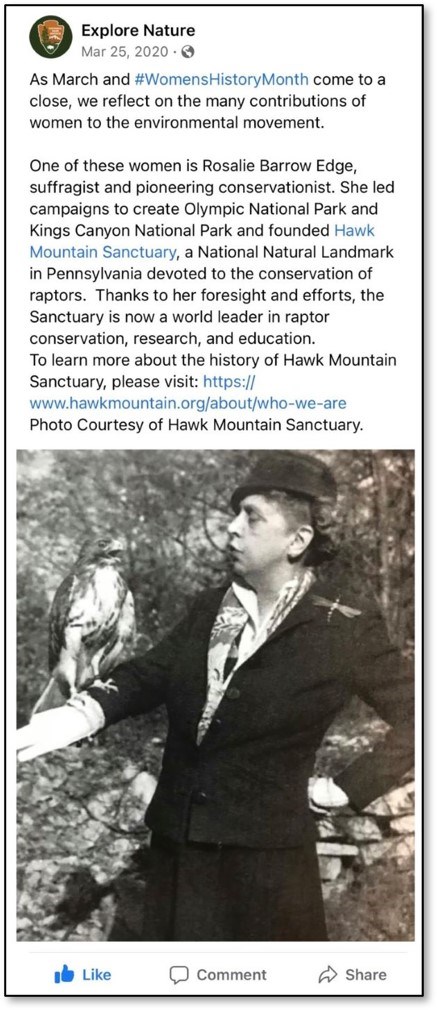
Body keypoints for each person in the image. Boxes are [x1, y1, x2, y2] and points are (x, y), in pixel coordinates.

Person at [17, 452, 414, 941]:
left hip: (268, 876)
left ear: (298, 539)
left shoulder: (343, 626)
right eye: (234, 513)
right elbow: (149, 674)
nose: (231, 528)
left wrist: (346, 788)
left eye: (251, 517)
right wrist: (81, 713)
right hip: (175, 860)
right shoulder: (211, 607)